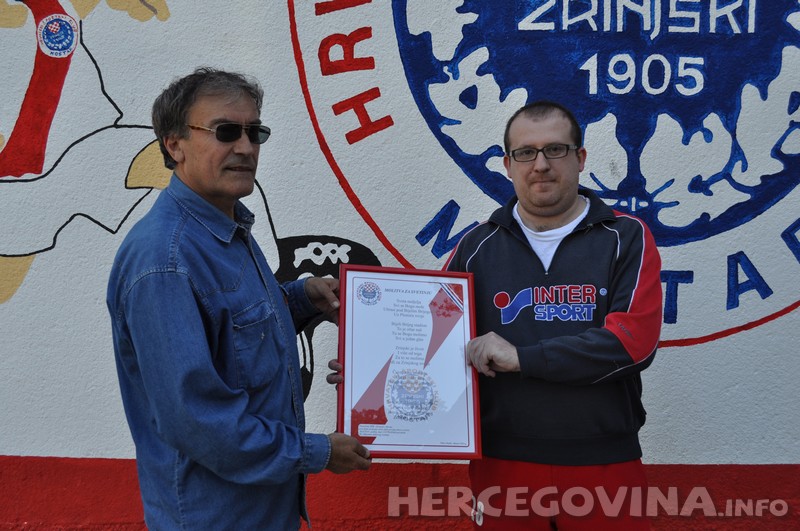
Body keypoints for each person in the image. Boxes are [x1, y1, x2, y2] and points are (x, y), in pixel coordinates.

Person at [106, 67, 371, 530]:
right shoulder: (165, 261)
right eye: (226, 131)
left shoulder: (226, 231)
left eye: (255, 132)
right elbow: (200, 421)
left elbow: (230, 328)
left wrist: (302, 299)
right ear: (174, 145)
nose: (246, 148)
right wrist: (319, 451)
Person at [444, 101, 663, 529]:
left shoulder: (626, 237)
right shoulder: (475, 247)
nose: (540, 165)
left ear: (580, 159)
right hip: (502, 466)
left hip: (605, 465)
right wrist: (380, 371)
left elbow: (632, 344)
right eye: (526, 153)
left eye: (556, 150)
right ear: (508, 165)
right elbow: (439, 341)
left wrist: (523, 358)